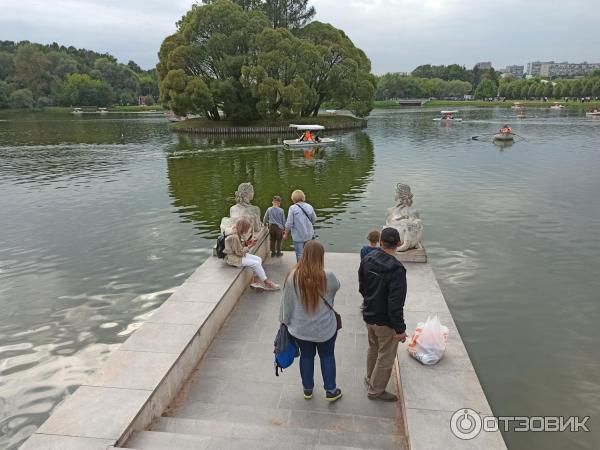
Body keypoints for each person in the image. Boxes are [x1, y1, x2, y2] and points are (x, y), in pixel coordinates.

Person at [280, 241, 342, 402]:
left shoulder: (292, 277)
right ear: (321, 256)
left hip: (300, 329)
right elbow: (337, 287)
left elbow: (287, 304)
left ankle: (307, 389)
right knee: (327, 356)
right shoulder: (328, 275)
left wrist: (285, 323)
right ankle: (331, 390)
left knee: (306, 357)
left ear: (304, 255)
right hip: (325, 328)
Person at [358, 227, 407, 402]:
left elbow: (362, 287)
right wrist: (400, 329)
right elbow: (395, 304)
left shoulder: (367, 258)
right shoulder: (397, 269)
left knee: (373, 347)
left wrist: (369, 302)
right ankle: (376, 390)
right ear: (399, 244)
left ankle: (370, 377)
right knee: (386, 356)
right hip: (385, 321)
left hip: (368, 314)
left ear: (380, 242)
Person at [224, 217, 280, 291]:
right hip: (234, 258)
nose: (247, 230)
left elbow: (239, 246)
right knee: (256, 264)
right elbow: (239, 252)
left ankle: (255, 282)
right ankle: (267, 283)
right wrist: (250, 246)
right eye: (247, 228)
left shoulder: (237, 232)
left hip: (237, 255)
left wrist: (247, 243)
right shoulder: (234, 236)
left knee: (258, 259)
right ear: (243, 227)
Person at [283, 190, 317, 261]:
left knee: (299, 254)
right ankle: (309, 269)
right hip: (309, 235)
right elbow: (314, 220)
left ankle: (301, 269)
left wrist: (286, 234)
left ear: (293, 198)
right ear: (303, 196)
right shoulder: (309, 206)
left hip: (298, 235)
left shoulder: (292, 208)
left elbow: (289, 223)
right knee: (309, 253)